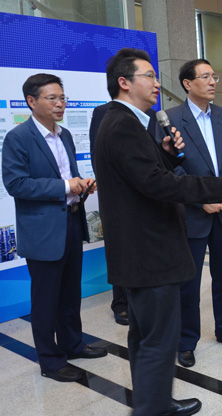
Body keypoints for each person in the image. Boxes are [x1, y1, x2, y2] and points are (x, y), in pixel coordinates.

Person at [94, 48, 222, 416]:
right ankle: (152, 409)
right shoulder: (123, 124)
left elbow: (144, 174)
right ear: (124, 82)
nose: (157, 83)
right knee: (158, 339)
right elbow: (155, 184)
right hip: (149, 251)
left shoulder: (123, 121)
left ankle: (154, 401)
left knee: (146, 337)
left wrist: (166, 153)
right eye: (148, 76)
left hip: (139, 251)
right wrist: (213, 187)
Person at [2, 73, 106, 383]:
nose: (60, 104)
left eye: (62, 98)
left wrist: (81, 185)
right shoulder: (19, 137)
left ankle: (73, 344)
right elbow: (16, 184)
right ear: (31, 101)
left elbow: (67, 177)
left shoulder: (66, 135)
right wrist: (65, 186)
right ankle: (50, 360)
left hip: (71, 221)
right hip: (43, 231)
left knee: (71, 292)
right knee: (46, 299)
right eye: (52, 98)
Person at [162, 59, 222, 369]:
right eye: (205, 77)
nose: (213, 82)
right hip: (193, 213)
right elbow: (171, 168)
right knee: (189, 282)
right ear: (187, 83)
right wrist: (202, 199)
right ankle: (186, 342)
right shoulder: (172, 119)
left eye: (214, 76)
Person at [89, 103, 157, 326]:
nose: (155, 86)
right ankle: (121, 303)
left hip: (149, 195)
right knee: (120, 249)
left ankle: (144, 299)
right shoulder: (104, 113)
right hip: (118, 199)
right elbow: (98, 156)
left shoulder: (152, 115)